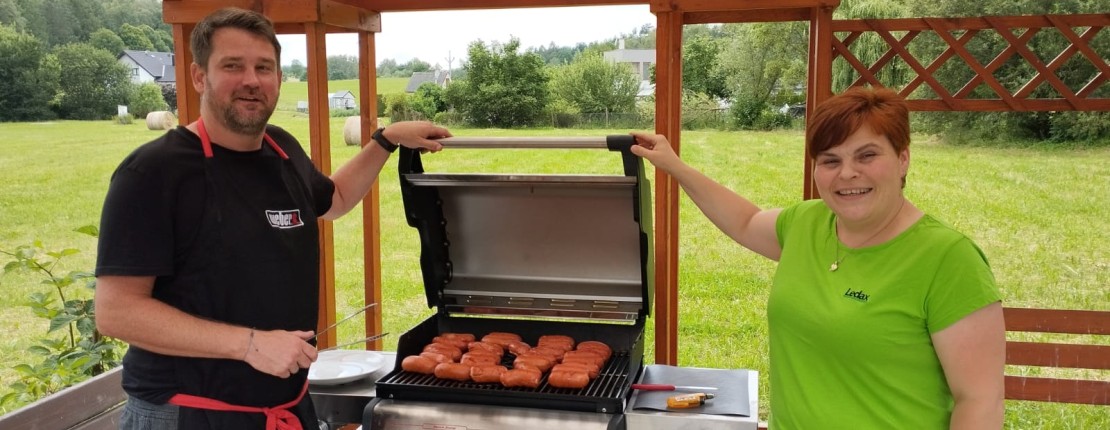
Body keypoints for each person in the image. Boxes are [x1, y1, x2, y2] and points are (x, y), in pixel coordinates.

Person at [94, 7, 450, 430]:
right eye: (233, 66)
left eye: (264, 67)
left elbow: (333, 199)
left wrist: (385, 140)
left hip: (286, 407)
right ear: (198, 76)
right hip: (188, 413)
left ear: (279, 78)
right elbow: (117, 311)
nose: (251, 80)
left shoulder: (281, 149)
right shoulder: (154, 172)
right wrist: (247, 344)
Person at [629, 86, 1005, 429]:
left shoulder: (948, 259)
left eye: (867, 155)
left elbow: (979, 400)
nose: (847, 173)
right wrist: (674, 165)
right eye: (830, 160)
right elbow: (744, 222)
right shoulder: (807, 223)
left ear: (903, 159)